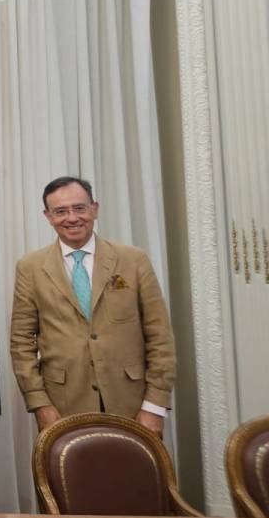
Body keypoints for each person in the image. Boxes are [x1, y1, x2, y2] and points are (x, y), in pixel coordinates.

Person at [10, 176, 176, 435]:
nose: (72, 218)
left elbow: (160, 337)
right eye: (61, 211)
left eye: (79, 208)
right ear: (48, 216)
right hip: (63, 404)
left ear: (94, 209)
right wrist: (39, 403)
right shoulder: (30, 267)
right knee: (72, 476)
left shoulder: (133, 260)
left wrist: (154, 406)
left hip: (132, 402)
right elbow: (21, 343)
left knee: (134, 475)